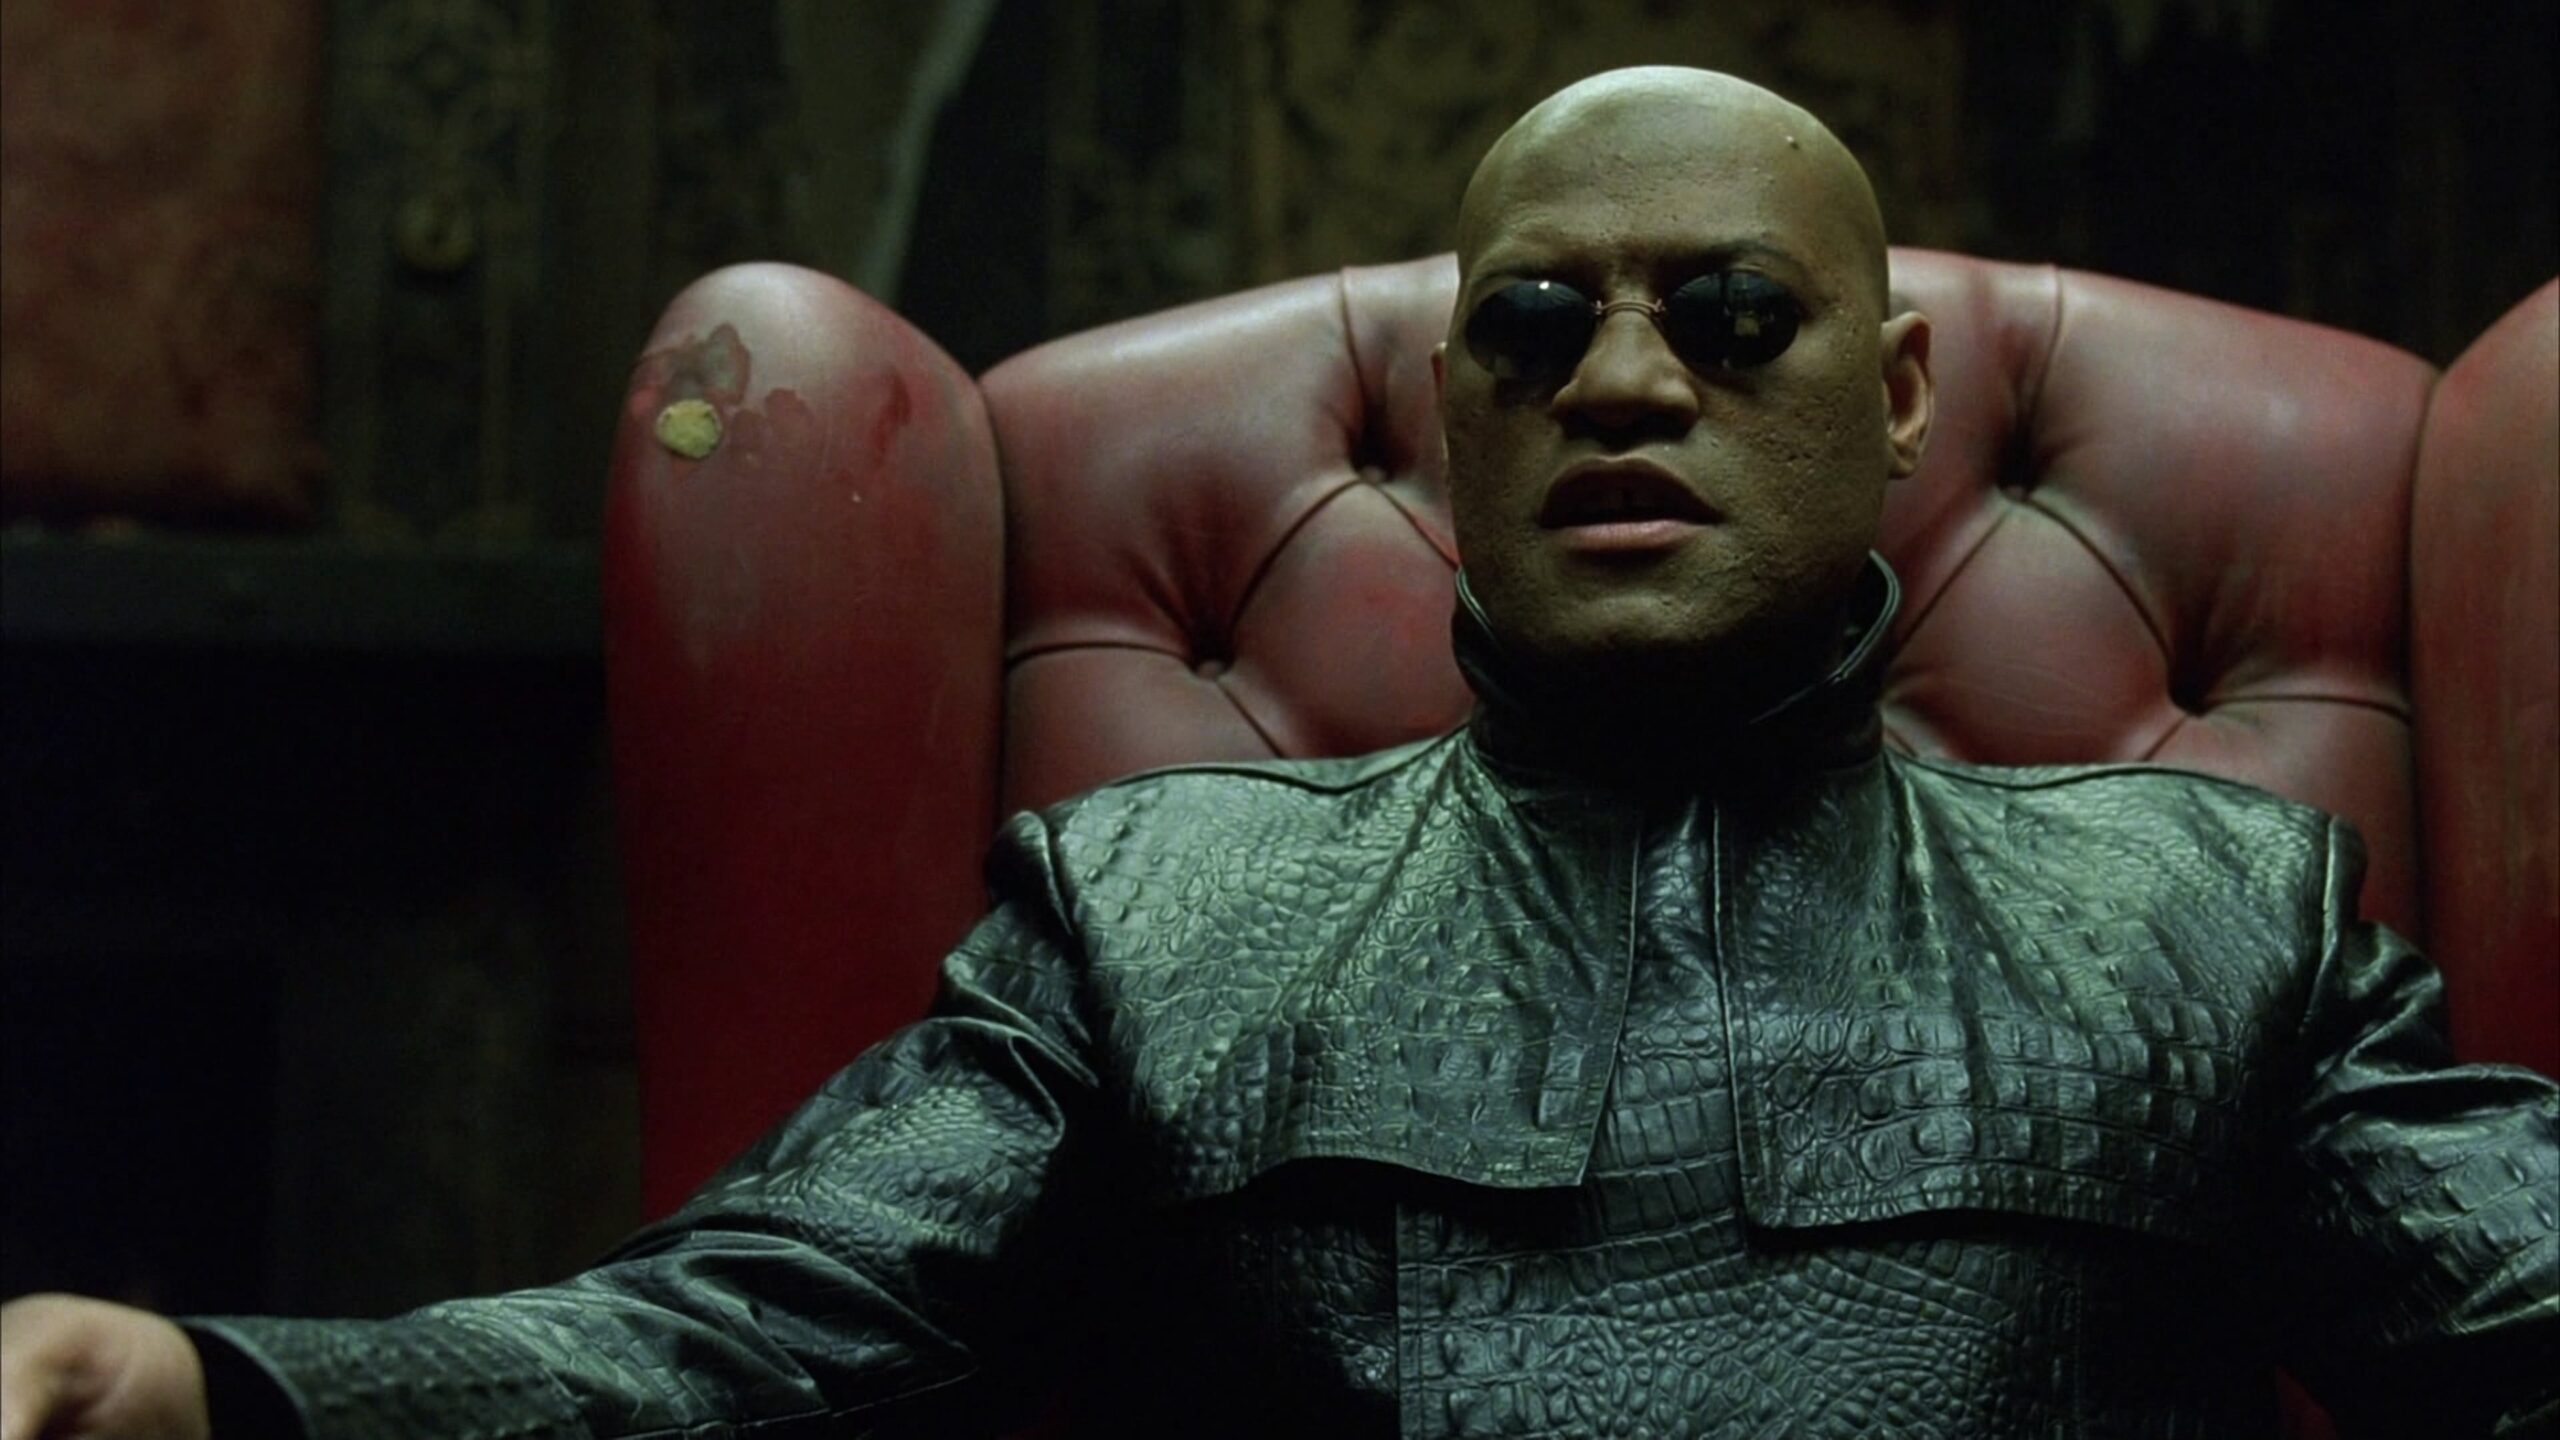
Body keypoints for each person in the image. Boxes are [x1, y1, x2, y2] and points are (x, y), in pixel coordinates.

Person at [6, 66, 2555, 1440]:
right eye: (1533, 326)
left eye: (1728, 318)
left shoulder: (2201, 915)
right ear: (1449, 411)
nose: (1622, 382)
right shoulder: (1155, 910)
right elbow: (740, 1341)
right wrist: (213, 1388)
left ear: (1893, 394)